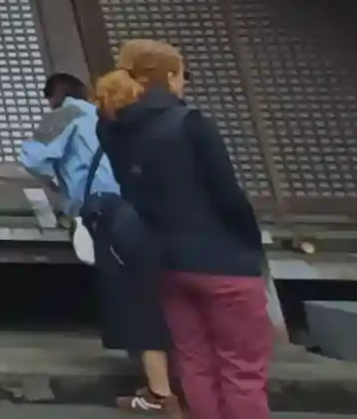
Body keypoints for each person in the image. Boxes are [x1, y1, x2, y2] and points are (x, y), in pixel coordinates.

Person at [102, 40, 271, 419]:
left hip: (165, 259)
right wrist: (249, 242)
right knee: (242, 368)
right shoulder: (190, 123)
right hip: (224, 259)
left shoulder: (113, 127)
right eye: (182, 74)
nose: (184, 82)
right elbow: (228, 195)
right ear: (168, 76)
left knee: (195, 362)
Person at [25, 71, 175, 414]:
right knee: (154, 290)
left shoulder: (64, 114)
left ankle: (158, 388)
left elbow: (33, 158)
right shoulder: (113, 118)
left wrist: (58, 183)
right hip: (139, 209)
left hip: (102, 208)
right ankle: (165, 379)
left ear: (54, 96)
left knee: (128, 292)